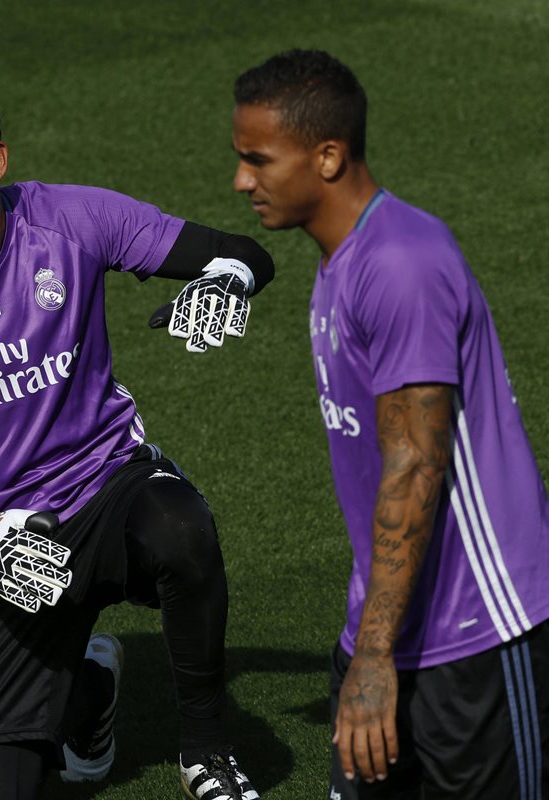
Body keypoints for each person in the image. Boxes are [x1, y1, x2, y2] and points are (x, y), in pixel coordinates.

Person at [0, 78, 273, 800]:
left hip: (107, 489)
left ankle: (206, 751)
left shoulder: (70, 217)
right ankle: (87, 691)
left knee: (181, 530)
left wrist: (229, 281)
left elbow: (242, 251)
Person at [232, 49, 548, 798]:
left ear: (329, 156)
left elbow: (416, 464)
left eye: (257, 160)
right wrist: (368, 648)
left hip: (476, 639)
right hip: (386, 634)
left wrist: (371, 659)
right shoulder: (344, 261)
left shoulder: (401, 262)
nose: (242, 180)